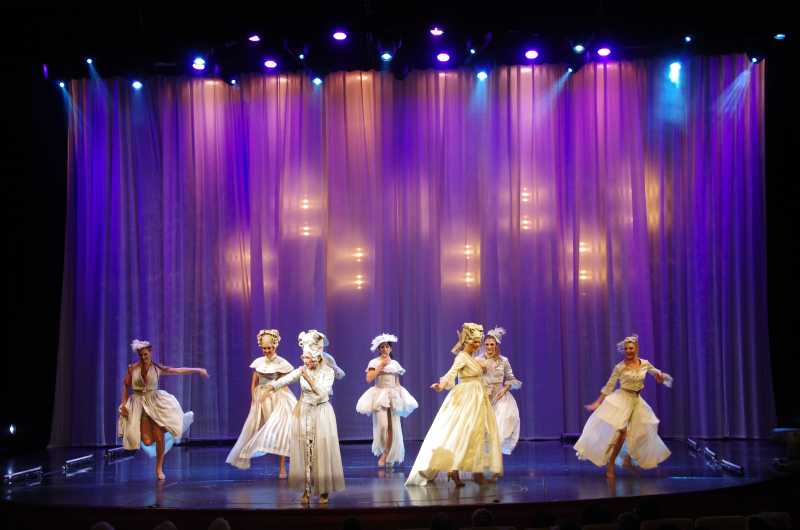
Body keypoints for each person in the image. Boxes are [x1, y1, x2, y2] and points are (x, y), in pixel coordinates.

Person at [405, 323, 502, 486]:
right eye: (474, 342)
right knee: (462, 432)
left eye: (478, 342)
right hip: (466, 398)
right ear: (467, 341)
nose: (477, 345)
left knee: (476, 433)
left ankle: (469, 471)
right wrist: (441, 385)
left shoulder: (472, 358)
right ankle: (459, 470)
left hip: (478, 398)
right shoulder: (462, 357)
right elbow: (452, 372)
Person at [574, 334, 672, 478]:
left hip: (637, 401)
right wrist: (598, 402)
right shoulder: (620, 367)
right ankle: (611, 464)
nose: (628, 351)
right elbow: (609, 385)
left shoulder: (644, 363)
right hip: (622, 400)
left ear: (636, 348)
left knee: (641, 432)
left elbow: (656, 374)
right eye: (626, 349)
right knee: (621, 433)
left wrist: (660, 376)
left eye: (631, 348)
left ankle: (626, 459)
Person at [118, 339, 209, 480]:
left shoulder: (157, 368)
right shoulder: (132, 368)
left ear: (150, 353)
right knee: (148, 441)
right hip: (139, 405)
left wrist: (197, 370)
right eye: (141, 355)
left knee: (159, 437)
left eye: (145, 354)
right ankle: (168, 431)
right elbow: (125, 385)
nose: (143, 357)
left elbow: (177, 371)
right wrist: (124, 403)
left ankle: (159, 468)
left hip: (154, 403)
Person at [225, 329, 296, 477]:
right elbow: (254, 382)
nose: (267, 351)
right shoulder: (259, 362)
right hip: (261, 398)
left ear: (275, 346)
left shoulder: (281, 363)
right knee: (254, 428)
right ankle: (246, 453)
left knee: (280, 430)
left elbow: (284, 382)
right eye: (264, 348)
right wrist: (254, 398)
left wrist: (280, 396)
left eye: (269, 348)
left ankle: (282, 466)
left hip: (276, 396)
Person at [355, 333, 419, 467]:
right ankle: (384, 451)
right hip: (380, 395)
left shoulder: (395, 364)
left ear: (390, 349)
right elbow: (369, 379)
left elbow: (397, 382)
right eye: (382, 347)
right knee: (382, 426)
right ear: (379, 349)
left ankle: (386, 455)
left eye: (387, 347)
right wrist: (381, 366)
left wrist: (401, 396)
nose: (384, 349)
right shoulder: (374, 362)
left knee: (392, 427)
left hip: (393, 395)